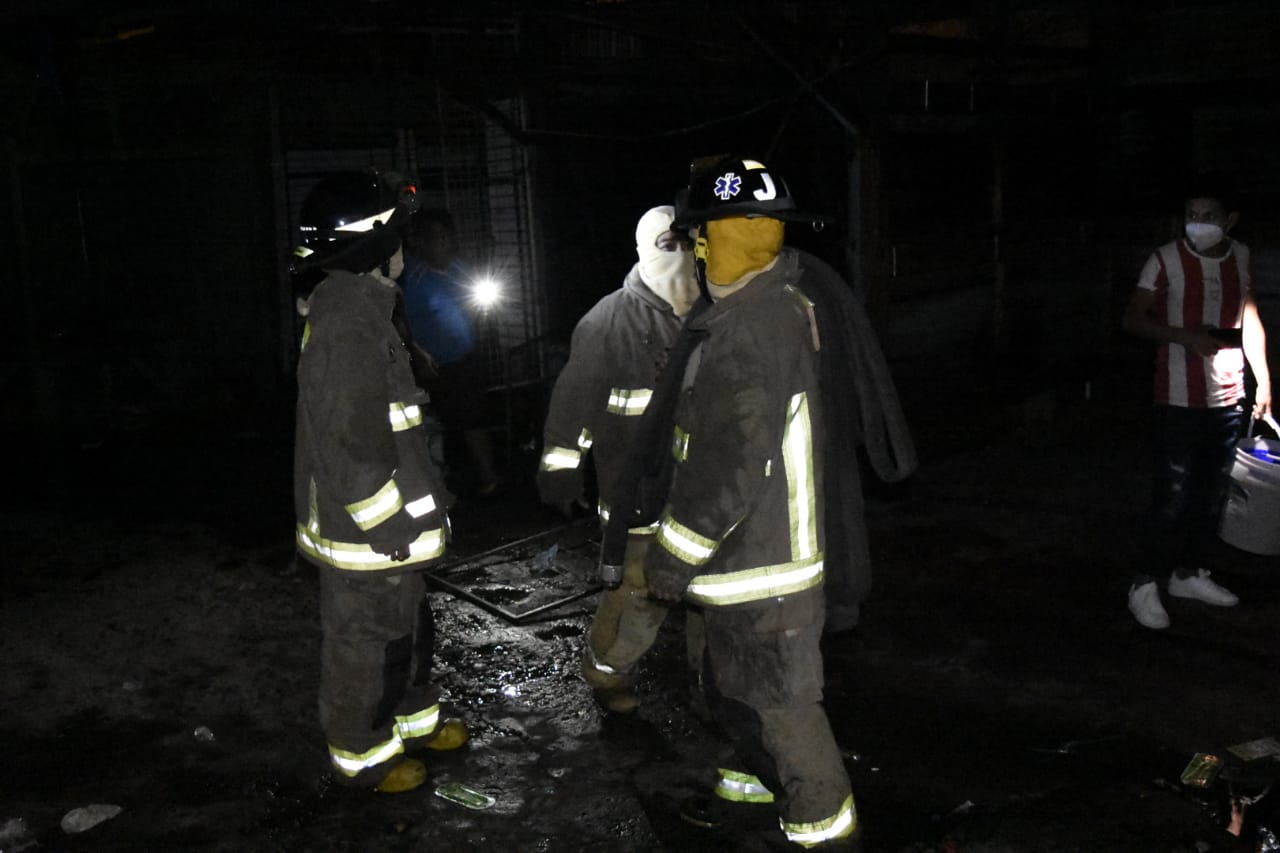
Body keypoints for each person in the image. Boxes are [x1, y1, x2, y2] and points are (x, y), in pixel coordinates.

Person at [646, 156, 875, 849]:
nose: (696, 253)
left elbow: (728, 470)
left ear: (719, 239)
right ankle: (750, 787)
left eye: (700, 238)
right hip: (760, 562)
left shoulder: (747, 330)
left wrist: (669, 557)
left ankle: (825, 833)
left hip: (759, 568)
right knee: (738, 692)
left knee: (785, 710)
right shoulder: (776, 304)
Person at [291, 170, 468, 795]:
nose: (406, 245)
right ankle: (362, 755)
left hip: (395, 537)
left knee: (408, 630)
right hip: (369, 538)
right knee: (365, 648)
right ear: (372, 242)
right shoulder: (345, 322)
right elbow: (350, 444)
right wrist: (387, 521)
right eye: (397, 232)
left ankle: (413, 722)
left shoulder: (366, 309)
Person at [536, 205, 703, 714]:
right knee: (638, 593)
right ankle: (608, 674)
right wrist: (561, 472)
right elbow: (573, 406)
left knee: (711, 596)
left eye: (684, 245)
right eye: (664, 246)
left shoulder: (714, 313)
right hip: (636, 491)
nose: (677, 258)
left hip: (701, 492)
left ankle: (716, 686)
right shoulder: (609, 321)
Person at [1122, 175, 1272, 630]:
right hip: (1178, 397)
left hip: (1228, 398)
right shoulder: (1165, 260)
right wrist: (1184, 337)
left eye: (1209, 217)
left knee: (1211, 496)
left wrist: (1263, 382)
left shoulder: (1241, 256)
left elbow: (1249, 318)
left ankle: (1189, 573)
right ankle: (1144, 582)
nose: (1199, 224)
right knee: (1170, 495)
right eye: (1192, 216)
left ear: (1230, 221)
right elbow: (1133, 318)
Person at [400, 208, 501, 496]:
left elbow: (478, 304)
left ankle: (489, 480)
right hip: (434, 367)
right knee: (433, 427)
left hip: (466, 361)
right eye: (437, 239)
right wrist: (416, 354)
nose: (445, 244)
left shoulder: (460, 269)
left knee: (473, 421)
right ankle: (437, 487)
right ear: (421, 243)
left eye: (448, 238)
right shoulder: (413, 280)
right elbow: (401, 324)